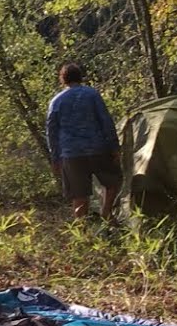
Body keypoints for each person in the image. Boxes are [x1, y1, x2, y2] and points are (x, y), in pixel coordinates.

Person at [45, 62, 122, 221]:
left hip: (72, 154)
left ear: (63, 80)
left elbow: (51, 132)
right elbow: (105, 121)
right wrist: (114, 147)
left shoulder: (56, 101)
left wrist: (55, 158)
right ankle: (107, 212)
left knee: (79, 194)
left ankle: (82, 228)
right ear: (80, 77)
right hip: (98, 149)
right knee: (113, 181)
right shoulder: (92, 94)